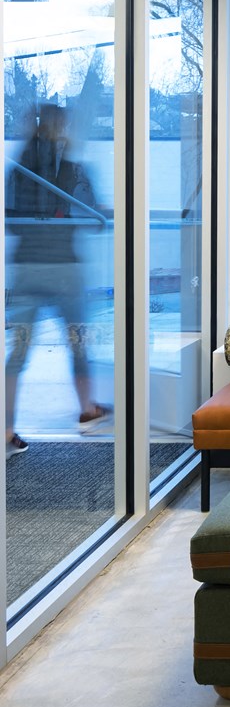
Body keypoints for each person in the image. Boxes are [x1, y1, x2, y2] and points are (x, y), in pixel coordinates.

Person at [5, 103, 109, 456]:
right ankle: (87, 409)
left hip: (26, 268)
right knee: (78, 343)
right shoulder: (74, 171)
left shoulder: (18, 170)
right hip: (65, 269)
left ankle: (6, 428)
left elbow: (9, 220)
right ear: (62, 129)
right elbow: (95, 216)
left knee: (16, 353)